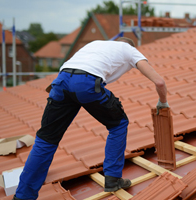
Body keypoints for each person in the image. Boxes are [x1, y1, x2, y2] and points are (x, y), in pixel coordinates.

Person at [13, 37, 169, 200]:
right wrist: (163, 103)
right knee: (118, 124)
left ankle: (23, 196)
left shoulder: (95, 44)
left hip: (60, 82)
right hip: (85, 83)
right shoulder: (129, 49)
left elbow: (73, 69)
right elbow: (159, 82)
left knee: (46, 139)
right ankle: (113, 179)